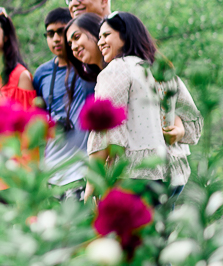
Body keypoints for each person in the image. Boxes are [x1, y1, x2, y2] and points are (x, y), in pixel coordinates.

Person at [86, 11, 202, 200]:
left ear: (125, 34)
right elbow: (189, 115)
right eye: (99, 37)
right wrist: (178, 130)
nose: (100, 42)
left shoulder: (118, 69)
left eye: (106, 35)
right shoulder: (161, 69)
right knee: (162, 229)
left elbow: (105, 129)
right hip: (172, 176)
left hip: (136, 176)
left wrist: (91, 187)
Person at [32, 8, 94, 193]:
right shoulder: (41, 74)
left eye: (61, 32)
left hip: (84, 171)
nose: (56, 39)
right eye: (50, 34)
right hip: (52, 171)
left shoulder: (90, 66)